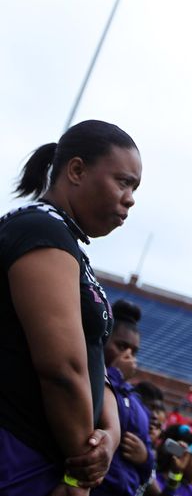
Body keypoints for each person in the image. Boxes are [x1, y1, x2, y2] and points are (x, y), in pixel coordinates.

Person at [0, 120, 141, 496]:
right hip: (17, 458)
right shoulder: (40, 232)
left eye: (134, 188)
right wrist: (80, 474)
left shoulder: (67, 243)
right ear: (76, 170)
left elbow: (97, 365)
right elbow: (62, 368)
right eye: (123, 182)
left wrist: (109, 436)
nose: (130, 198)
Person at [93, 299, 155, 496]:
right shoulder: (87, 380)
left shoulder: (136, 401)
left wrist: (145, 458)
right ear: (104, 339)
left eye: (134, 351)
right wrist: (115, 374)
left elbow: (149, 467)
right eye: (121, 346)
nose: (129, 355)